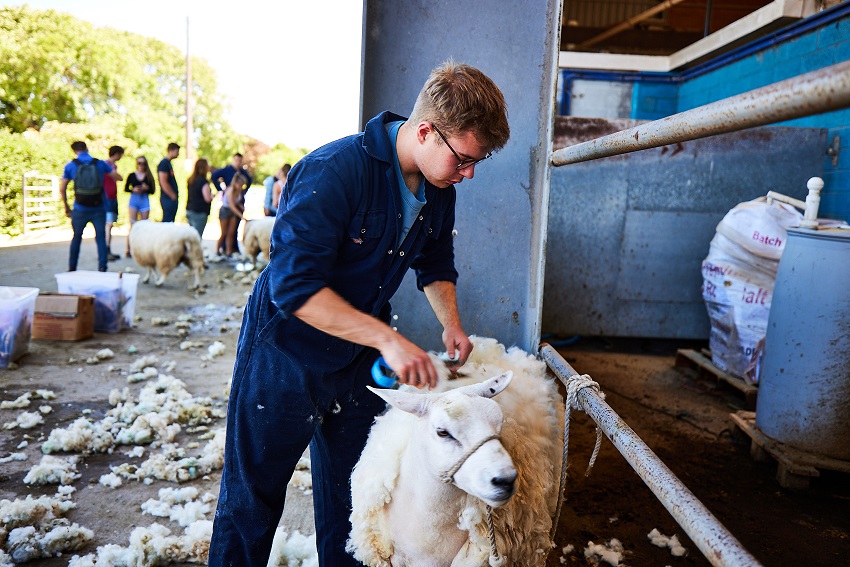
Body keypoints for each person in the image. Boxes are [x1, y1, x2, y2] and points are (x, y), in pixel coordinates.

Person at [209, 61, 510, 567]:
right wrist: (389, 340)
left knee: (356, 495)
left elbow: (434, 263)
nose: (469, 173)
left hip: (356, 357)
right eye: (464, 159)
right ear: (425, 132)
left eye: (474, 162)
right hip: (285, 351)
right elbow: (294, 288)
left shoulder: (440, 191)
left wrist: (451, 323)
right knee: (252, 499)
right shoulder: (333, 171)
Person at [59, 141, 122, 272]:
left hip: (80, 208)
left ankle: (72, 267)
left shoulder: (71, 165)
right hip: (99, 208)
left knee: (76, 237)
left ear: (75, 151)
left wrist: (66, 207)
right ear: (87, 149)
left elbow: (62, 188)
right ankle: (102, 266)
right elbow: (117, 177)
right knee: (100, 237)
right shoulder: (100, 164)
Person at [212, 153, 253, 251]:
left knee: (233, 231)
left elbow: (249, 180)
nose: (238, 162)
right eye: (236, 160)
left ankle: (231, 250)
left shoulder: (243, 173)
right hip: (227, 209)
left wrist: (244, 192)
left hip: (236, 206)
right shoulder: (227, 171)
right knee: (224, 232)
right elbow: (214, 176)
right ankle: (220, 249)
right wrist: (221, 189)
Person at [124, 155, 156, 258]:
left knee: (144, 225)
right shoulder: (132, 175)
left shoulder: (148, 176)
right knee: (132, 225)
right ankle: (128, 249)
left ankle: (143, 249)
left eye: (143, 163)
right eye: (139, 163)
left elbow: (153, 190)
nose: (141, 165)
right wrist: (133, 190)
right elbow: (126, 188)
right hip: (134, 199)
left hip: (144, 200)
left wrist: (146, 188)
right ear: (136, 164)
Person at [215, 172, 247, 258]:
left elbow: (237, 202)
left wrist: (242, 207)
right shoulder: (230, 191)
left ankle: (229, 252)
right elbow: (232, 206)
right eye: (240, 185)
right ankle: (217, 250)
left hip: (232, 212)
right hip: (225, 211)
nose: (241, 187)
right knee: (224, 232)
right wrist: (241, 216)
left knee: (231, 232)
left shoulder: (239, 192)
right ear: (236, 183)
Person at [103, 145, 124, 261]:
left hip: (112, 197)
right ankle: (105, 251)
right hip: (106, 198)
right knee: (108, 224)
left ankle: (108, 249)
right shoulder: (105, 165)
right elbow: (118, 178)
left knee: (110, 225)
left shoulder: (113, 166)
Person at [185, 158, 213, 238]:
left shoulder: (191, 180)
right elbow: (207, 198)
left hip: (190, 209)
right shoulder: (203, 181)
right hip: (199, 212)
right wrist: (212, 196)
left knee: (191, 236)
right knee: (197, 237)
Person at [158, 142, 180, 222]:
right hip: (167, 198)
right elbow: (163, 182)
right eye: (177, 151)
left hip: (170, 198)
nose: (178, 154)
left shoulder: (168, 163)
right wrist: (172, 195)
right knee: (167, 221)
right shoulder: (164, 163)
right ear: (171, 150)